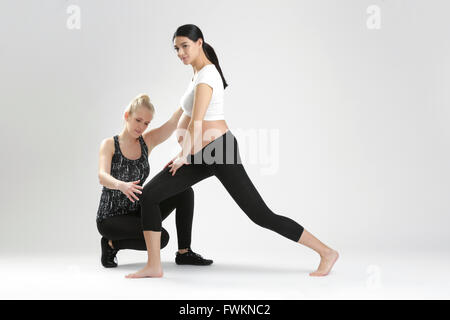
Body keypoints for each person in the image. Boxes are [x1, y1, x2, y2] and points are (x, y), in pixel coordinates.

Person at [125, 24, 339, 279]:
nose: (180, 53)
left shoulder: (207, 76)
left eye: (185, 46)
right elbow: (180, 120)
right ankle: (154, 265)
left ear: (199, 43)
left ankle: (326, 252)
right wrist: (175, 151)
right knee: (150, 195)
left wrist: (184, 155)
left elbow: (198, 122)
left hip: (219, 150)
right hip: (200, 153)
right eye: (176, 49)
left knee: (260, 214)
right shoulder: (196, 75)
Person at [96, 93, 213, 268]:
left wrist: (191, 96)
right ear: (127, 116)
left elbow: (172, 123)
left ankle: (184, 252)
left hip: (137, 210)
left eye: (146, 123)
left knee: (184, 191)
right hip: (111, 219)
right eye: (138, 120)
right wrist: (121, 185)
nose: (141, 127)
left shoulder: (146, 142)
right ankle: (112, 244)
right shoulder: (110, 144)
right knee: (162, 238)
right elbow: (102, 176)